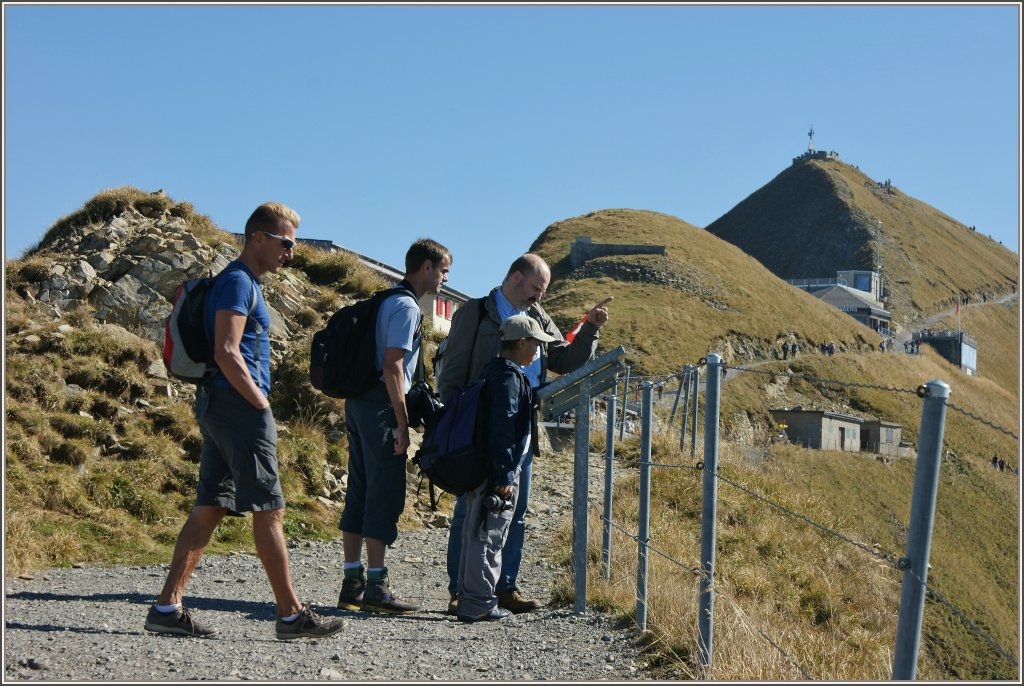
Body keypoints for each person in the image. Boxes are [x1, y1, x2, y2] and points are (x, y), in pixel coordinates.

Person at [144, 202, 345, 640]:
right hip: (238, 407)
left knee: (210, 506)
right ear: (257, 238)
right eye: (285, 243)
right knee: (270, 507)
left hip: (218, 404)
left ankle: (166, 607)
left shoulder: (240, 282)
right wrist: (260, 404)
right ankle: (291, 616)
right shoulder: (237, 282)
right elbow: (227, 350)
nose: (290, 253)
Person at [437, 253, 611, 615]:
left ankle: (504, 588)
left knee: (515, 510)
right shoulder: (476, 312)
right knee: (468, 512)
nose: (539, 297)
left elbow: (563, 360)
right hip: (478, 429)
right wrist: (454, 420)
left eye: (542, 292)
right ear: (515, 277)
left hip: (521, 429)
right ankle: (461, 590)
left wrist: (591, 328)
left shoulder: (537, 316)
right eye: (535, 289)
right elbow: (453, 369)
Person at [336, 238, 452, 614]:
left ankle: (351, 582)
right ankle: (376, 586)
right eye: (443, 269)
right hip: (381, 408)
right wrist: (402, 425)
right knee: (384, 492)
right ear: (425, 267)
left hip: (357, 403)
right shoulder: (405, 307)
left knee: (360, 488)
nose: (445, 278)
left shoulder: (385, 300)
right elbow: (393, 367)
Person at [457, 315, 556, 623]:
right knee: (489, 536)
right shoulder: (510, 379)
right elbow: (503, 428)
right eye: (537, 343)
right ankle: (479, 602)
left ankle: (470, 598)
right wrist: (504, 476)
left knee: (474, 532)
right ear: (522, 342)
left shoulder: (493, 372)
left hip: (480, 466)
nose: (539, 351)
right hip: (495, 472)